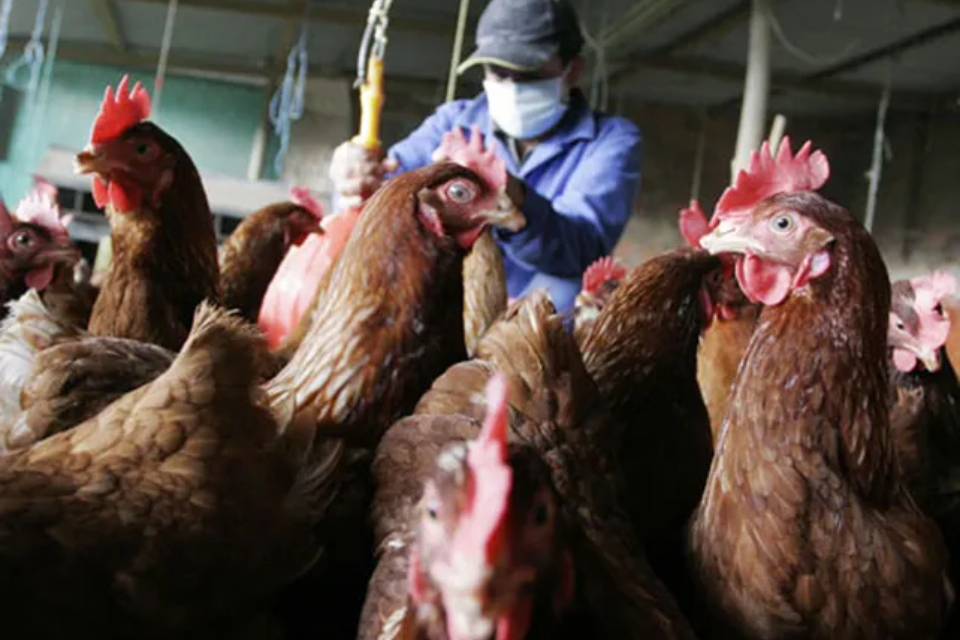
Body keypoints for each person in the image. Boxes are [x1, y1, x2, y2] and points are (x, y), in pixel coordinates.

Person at [328, 0, 642, 313]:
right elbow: (387, 185)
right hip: (446, 287)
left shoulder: (611, 141)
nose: (511, 86)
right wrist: (356, 178)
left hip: (533, 301)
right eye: (498, 71)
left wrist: (520, 205)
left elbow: (583, 247)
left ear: (572, 70)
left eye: (528, 73)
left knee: (561, 290)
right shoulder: (452, 121)